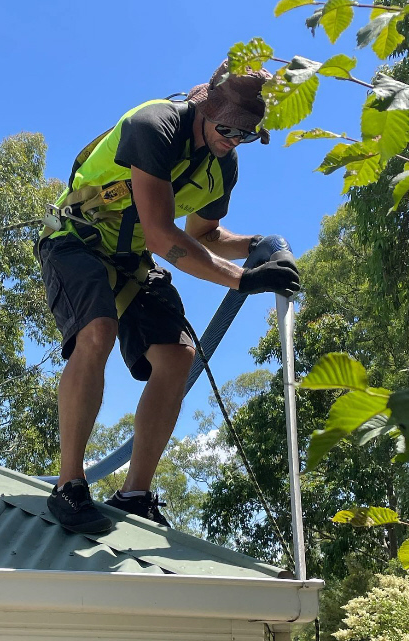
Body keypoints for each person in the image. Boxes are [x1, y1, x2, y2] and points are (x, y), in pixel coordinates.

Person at [37, 59, 299, 534]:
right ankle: (69, 486)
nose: (233, 140)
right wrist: (242, 280)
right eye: (228, 129)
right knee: (97, 332)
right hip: (76, 240)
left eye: (245, 135)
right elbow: (161, 235)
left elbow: (209, 235)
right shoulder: (154, 124)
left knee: (177, 356)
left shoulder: (224, 166)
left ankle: (135, 494)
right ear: (204, 108)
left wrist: (260, 246)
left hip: (133, 259)